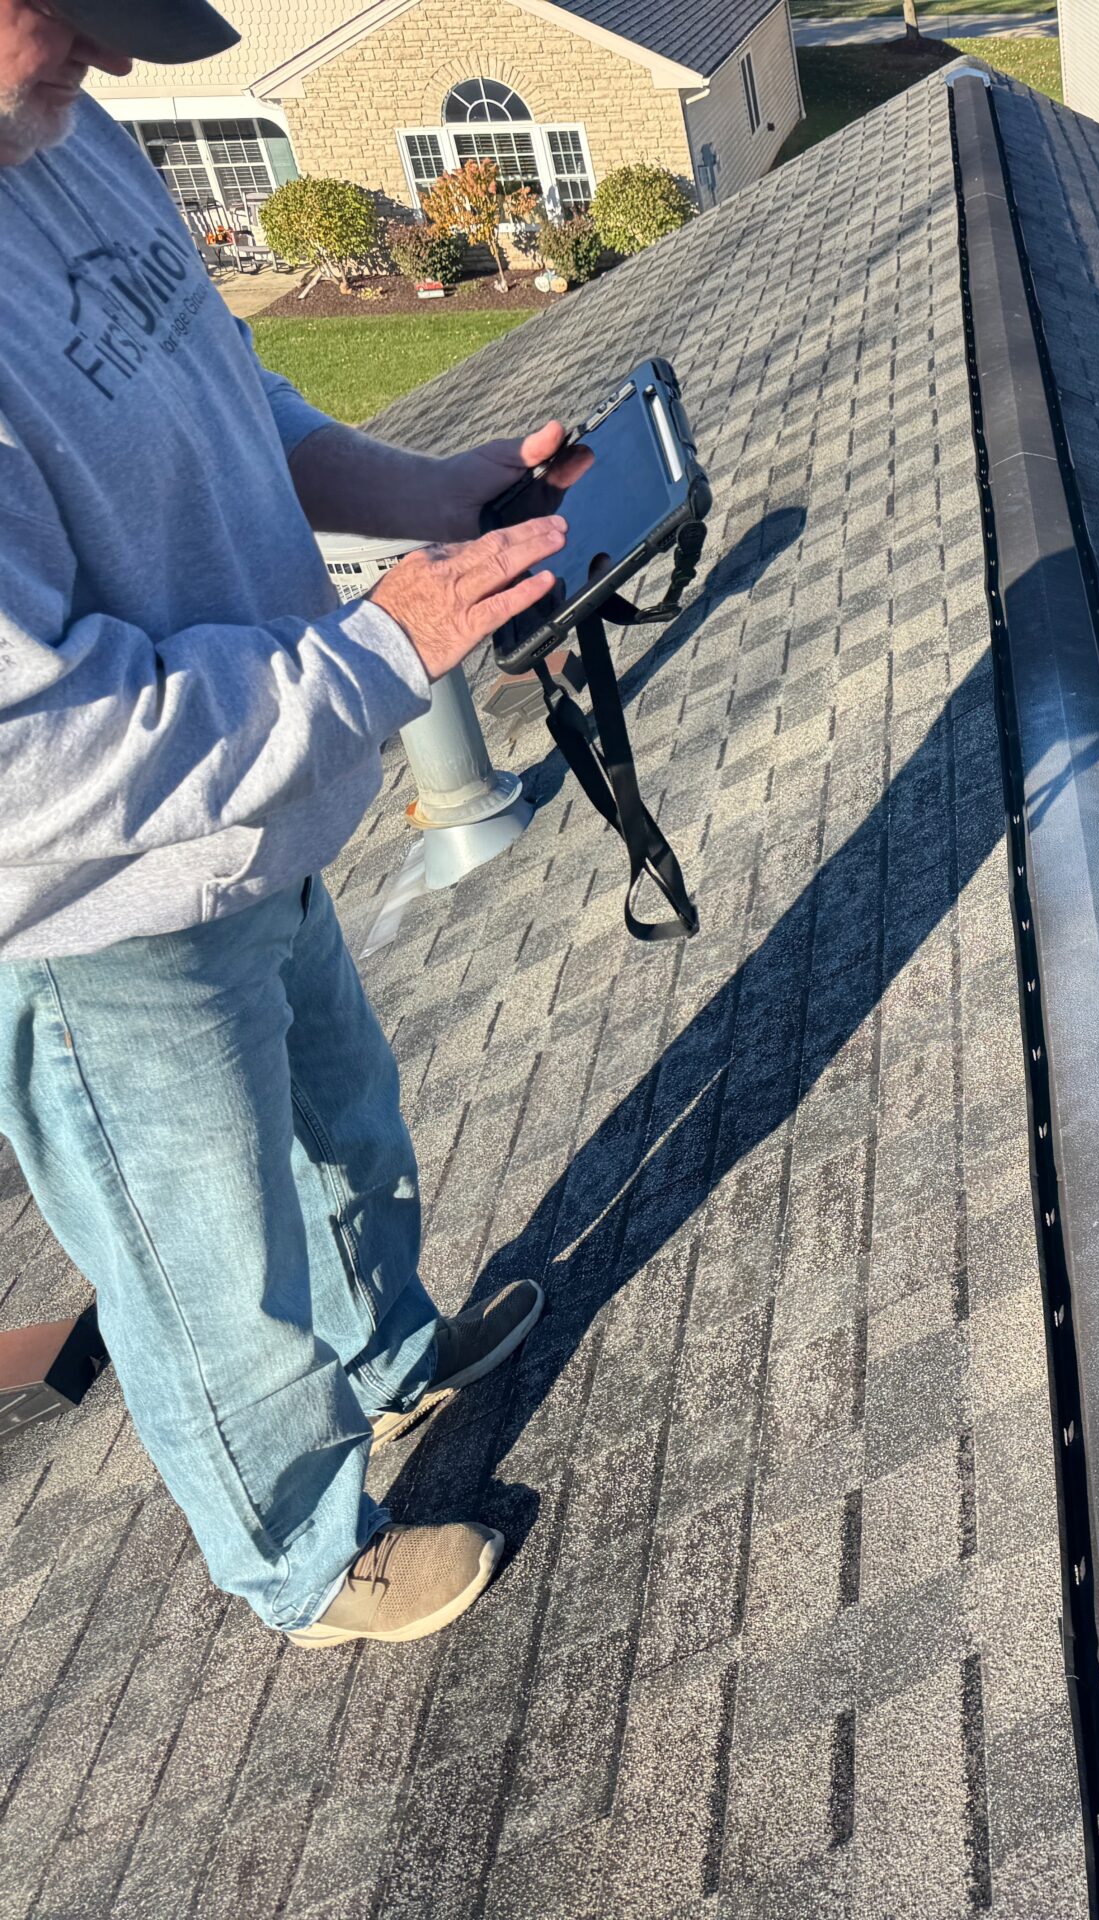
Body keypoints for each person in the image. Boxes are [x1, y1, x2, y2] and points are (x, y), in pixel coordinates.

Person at [0, 0, 589, 1645]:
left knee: (348, 1131)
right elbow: (32, 752)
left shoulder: (62, 141)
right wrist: (381, 649)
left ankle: (392, 1363)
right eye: (83, 11)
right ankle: (305, 1561)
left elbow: (221, 387)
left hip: (256, 816)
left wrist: (426, 494)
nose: (121, 61)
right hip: (99, 918)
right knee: (214, 1275)